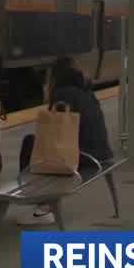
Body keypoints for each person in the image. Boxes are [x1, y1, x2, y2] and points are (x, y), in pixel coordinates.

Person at [18, 57, 114, 225]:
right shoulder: (86, 90)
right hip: (101, 153)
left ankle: (43, 207)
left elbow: (54, 135)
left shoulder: (63, 94)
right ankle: (43, 204)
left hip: (85, 157)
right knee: (36, 144)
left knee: (31, 144)